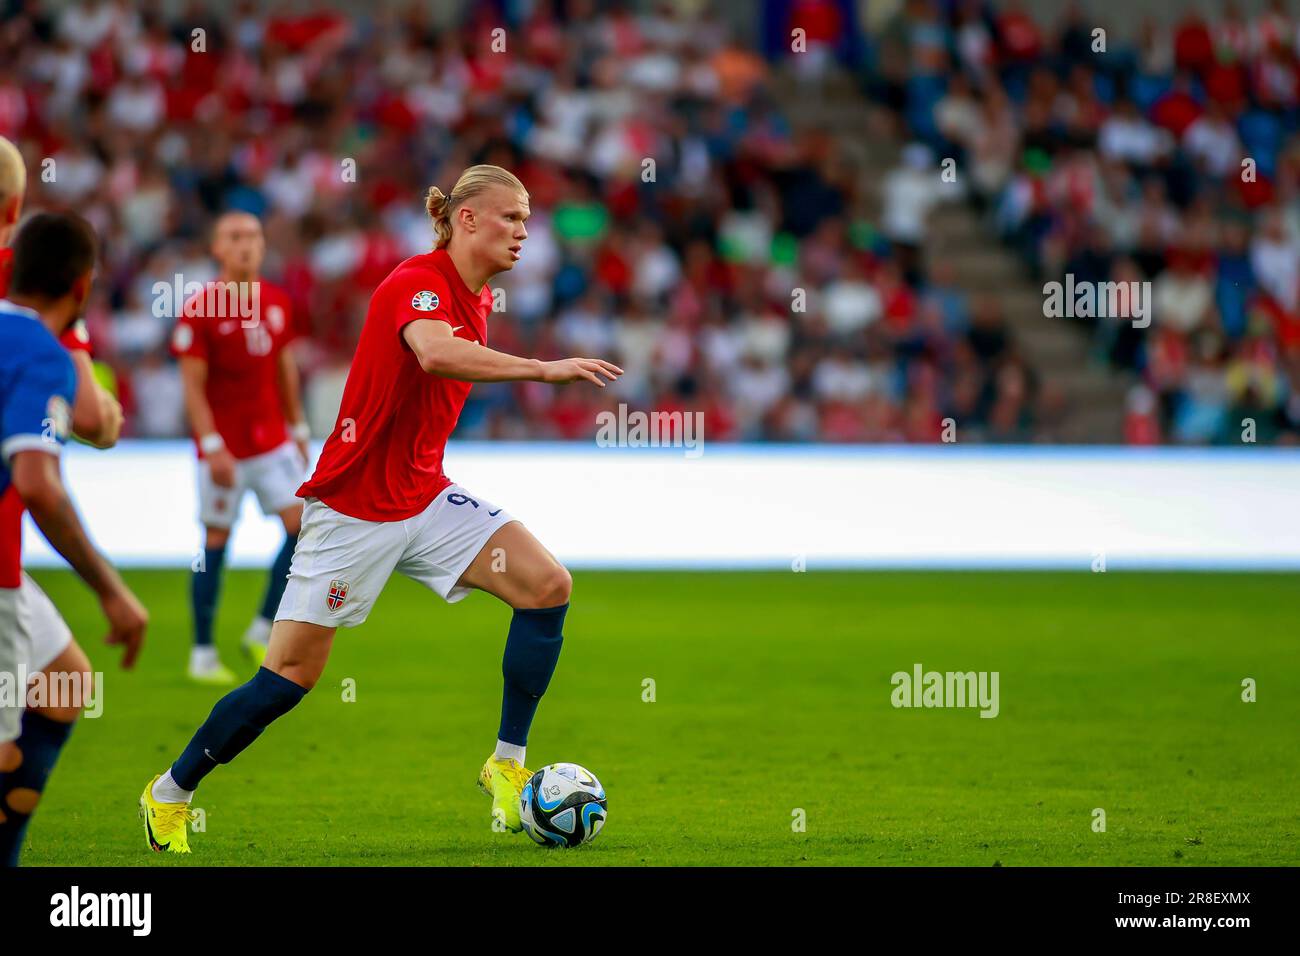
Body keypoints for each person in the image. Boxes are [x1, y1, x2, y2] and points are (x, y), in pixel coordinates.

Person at [140, 164, 621, 853]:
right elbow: (432, 355)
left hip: (425, 497)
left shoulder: (478, 300)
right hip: (354, 510)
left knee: (548, 586)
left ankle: (506, 763)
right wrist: (543, 368)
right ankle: (170, 792)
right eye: (511, 217)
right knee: (287, 681)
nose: (524, 231)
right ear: (467, 219)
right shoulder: (417, 284)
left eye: (527, 219)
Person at [0, 212, 147, 866]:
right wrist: (111, 590)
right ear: (82, 288)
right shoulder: (43, 356)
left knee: (65, 677)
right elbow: (38, 483)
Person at [171, 212, 308, 683]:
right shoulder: (200, 307)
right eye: (235, 237)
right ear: (217, 248)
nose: (246, 244)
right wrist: (211, 446)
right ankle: (202, 651)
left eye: (253, 235)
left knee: (304, 527)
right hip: (224, 448)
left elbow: (285, 368)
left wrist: (299, 428)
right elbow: (192, 385)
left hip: (271, 442)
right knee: (215, 541)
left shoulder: (275, 302)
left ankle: (261, 626)